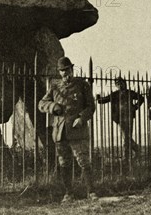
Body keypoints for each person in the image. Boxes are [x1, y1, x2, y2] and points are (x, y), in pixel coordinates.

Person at [38, 57, 97, 202]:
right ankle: (68, 193)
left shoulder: (82, 85)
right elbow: (41, 103)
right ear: (59, 72)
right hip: (60, 132)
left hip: (77, 130)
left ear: (72, 69)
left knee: (83, 161)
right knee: (64, 162)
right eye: (62, 71)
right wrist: (53, 107)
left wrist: (81, 118)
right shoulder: (55, 86)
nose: (66, 74)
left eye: (68, 70)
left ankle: (91, 191)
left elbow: (91, 106)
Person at [96, 77, 143, 161]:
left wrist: (135, 107)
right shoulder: (115, 94)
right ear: (116, 85)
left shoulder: (130, 93)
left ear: (125, 83)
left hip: (129, 117)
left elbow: (141, 98)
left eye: (121, 83)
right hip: (120, 118)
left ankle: (126, 156)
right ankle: (136, 150)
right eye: (117, 83)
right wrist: (99, 98)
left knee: (126, 137)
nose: (120, 85)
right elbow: (104, 100)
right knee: (126, 137)